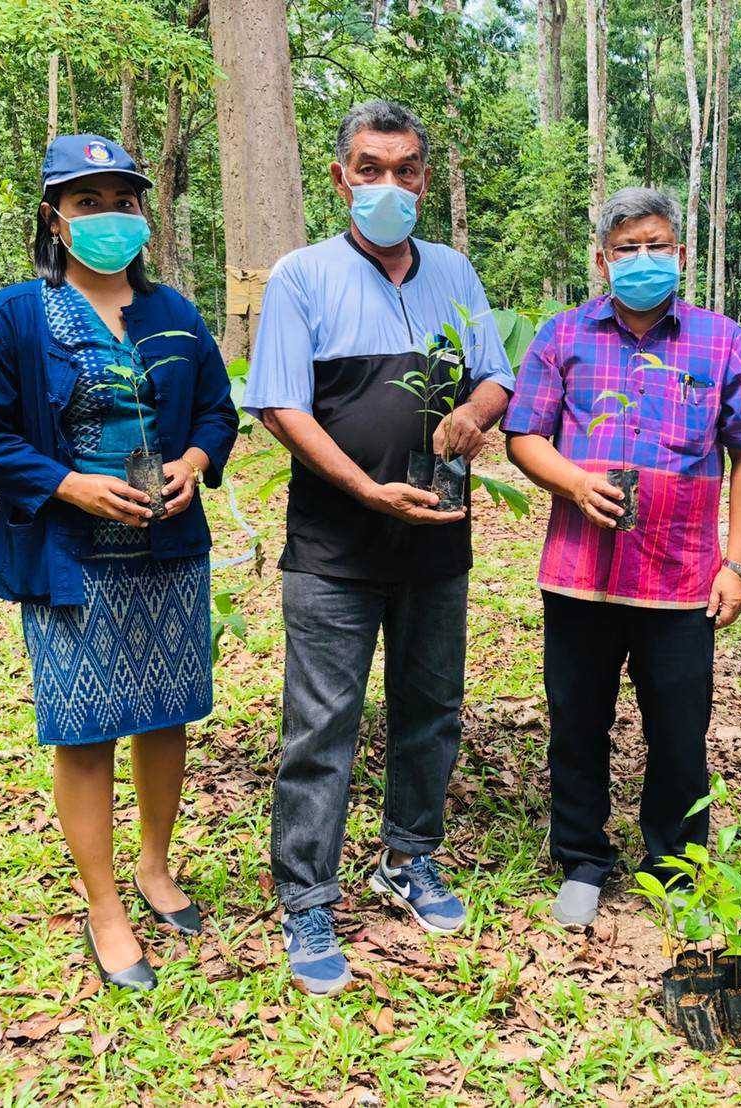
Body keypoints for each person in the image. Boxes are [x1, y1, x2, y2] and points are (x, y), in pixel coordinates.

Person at [0, 134, 238, 991]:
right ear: (55, 216)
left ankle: (154, 866)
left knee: (165, 711)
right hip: (72, 557)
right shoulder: (16, 315)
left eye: (123, 200)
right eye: (87, 201)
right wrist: (66, 483)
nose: (109, 217)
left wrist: (195, 462)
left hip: (168, 549)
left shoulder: (175, 313)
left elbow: (217, 412)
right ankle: (104, 906)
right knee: (82, 726)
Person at [243, 100, 515, 996]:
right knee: (322, 724)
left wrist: (476, 412)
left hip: (438, 540)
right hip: (335, 548)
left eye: (406, 169)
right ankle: (308, 894)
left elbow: (493, 373)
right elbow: (281, 402)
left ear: (425, 180)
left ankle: (409, 858)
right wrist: (363, 486)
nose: (389, 185)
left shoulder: (452, 273)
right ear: (341, 178)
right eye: (371, 168)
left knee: (431, 709)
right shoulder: (301, 278)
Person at [504, 186, 741, 928]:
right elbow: (524, 433)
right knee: (577, 720)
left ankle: (675, 865)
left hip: (683, 574)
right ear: (602, 260)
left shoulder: (720, 340)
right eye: (627, 249)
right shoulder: (562, 336)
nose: (643, 260)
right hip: (580, 573)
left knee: (680, 728)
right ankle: (584, 860)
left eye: (657, 245)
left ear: (682, 256)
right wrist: (572, 479)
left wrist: (739, 563)